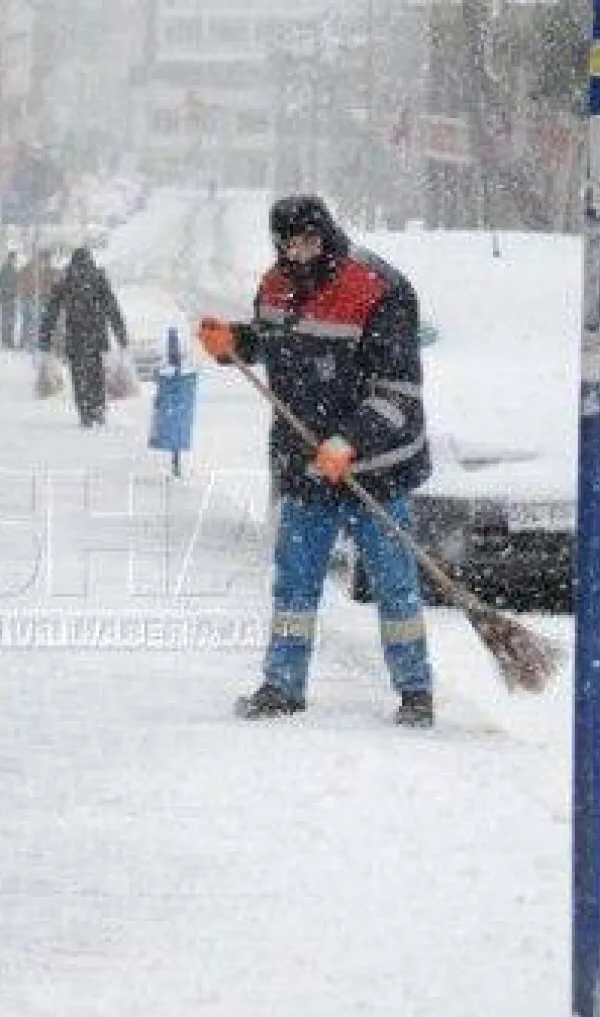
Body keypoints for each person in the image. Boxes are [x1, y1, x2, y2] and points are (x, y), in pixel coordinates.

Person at [198, 194, 435, 728]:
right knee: (294, 583)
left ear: (327, 233)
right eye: (286, 243)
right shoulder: (276, 283)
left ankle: (415, 690)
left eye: (307, 240)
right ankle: (283, 685)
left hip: (377, 467)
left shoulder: (380, 289)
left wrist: (349, 441)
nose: (297, 252)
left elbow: (398, 391)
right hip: (306, 463)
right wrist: (233, 341)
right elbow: (274, 341)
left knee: (393, 582)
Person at [39, 247, 128, 427]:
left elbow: (51, 311)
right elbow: (112, 308)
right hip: (96, 338)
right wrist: (121, 335)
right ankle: (98, 409)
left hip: (76, 337)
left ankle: (85, 412)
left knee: (79, 377)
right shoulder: (98, 279)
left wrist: (45, 337)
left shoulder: (66, 280)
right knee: (96, 375)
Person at [0, 250, 20, 349]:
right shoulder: (4, 269)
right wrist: (6, 289)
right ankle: (5, 340)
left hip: (11, 298)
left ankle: (9, 340)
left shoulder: (13, 270)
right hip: (5, 298)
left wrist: (15, 291)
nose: (13, 261)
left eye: (14, 259)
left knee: (11, 320)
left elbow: (17, 283)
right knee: (6, 320)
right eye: (12, 258)